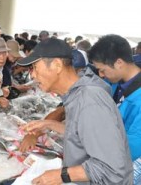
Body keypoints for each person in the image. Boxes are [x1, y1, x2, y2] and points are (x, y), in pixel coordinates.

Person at [17, 38, 133, 184]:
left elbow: (110, 168)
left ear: (57, 65)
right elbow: (84, 134)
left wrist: (61, 175)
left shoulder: (90, 101)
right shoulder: (76, 95)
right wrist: (49, 124)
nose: (32, 75)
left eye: (34, 67)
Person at [88, 34, 141, 183]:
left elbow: (132, 148)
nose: (101, 75)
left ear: (119, 62)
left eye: (103, 70)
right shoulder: (117, 84)